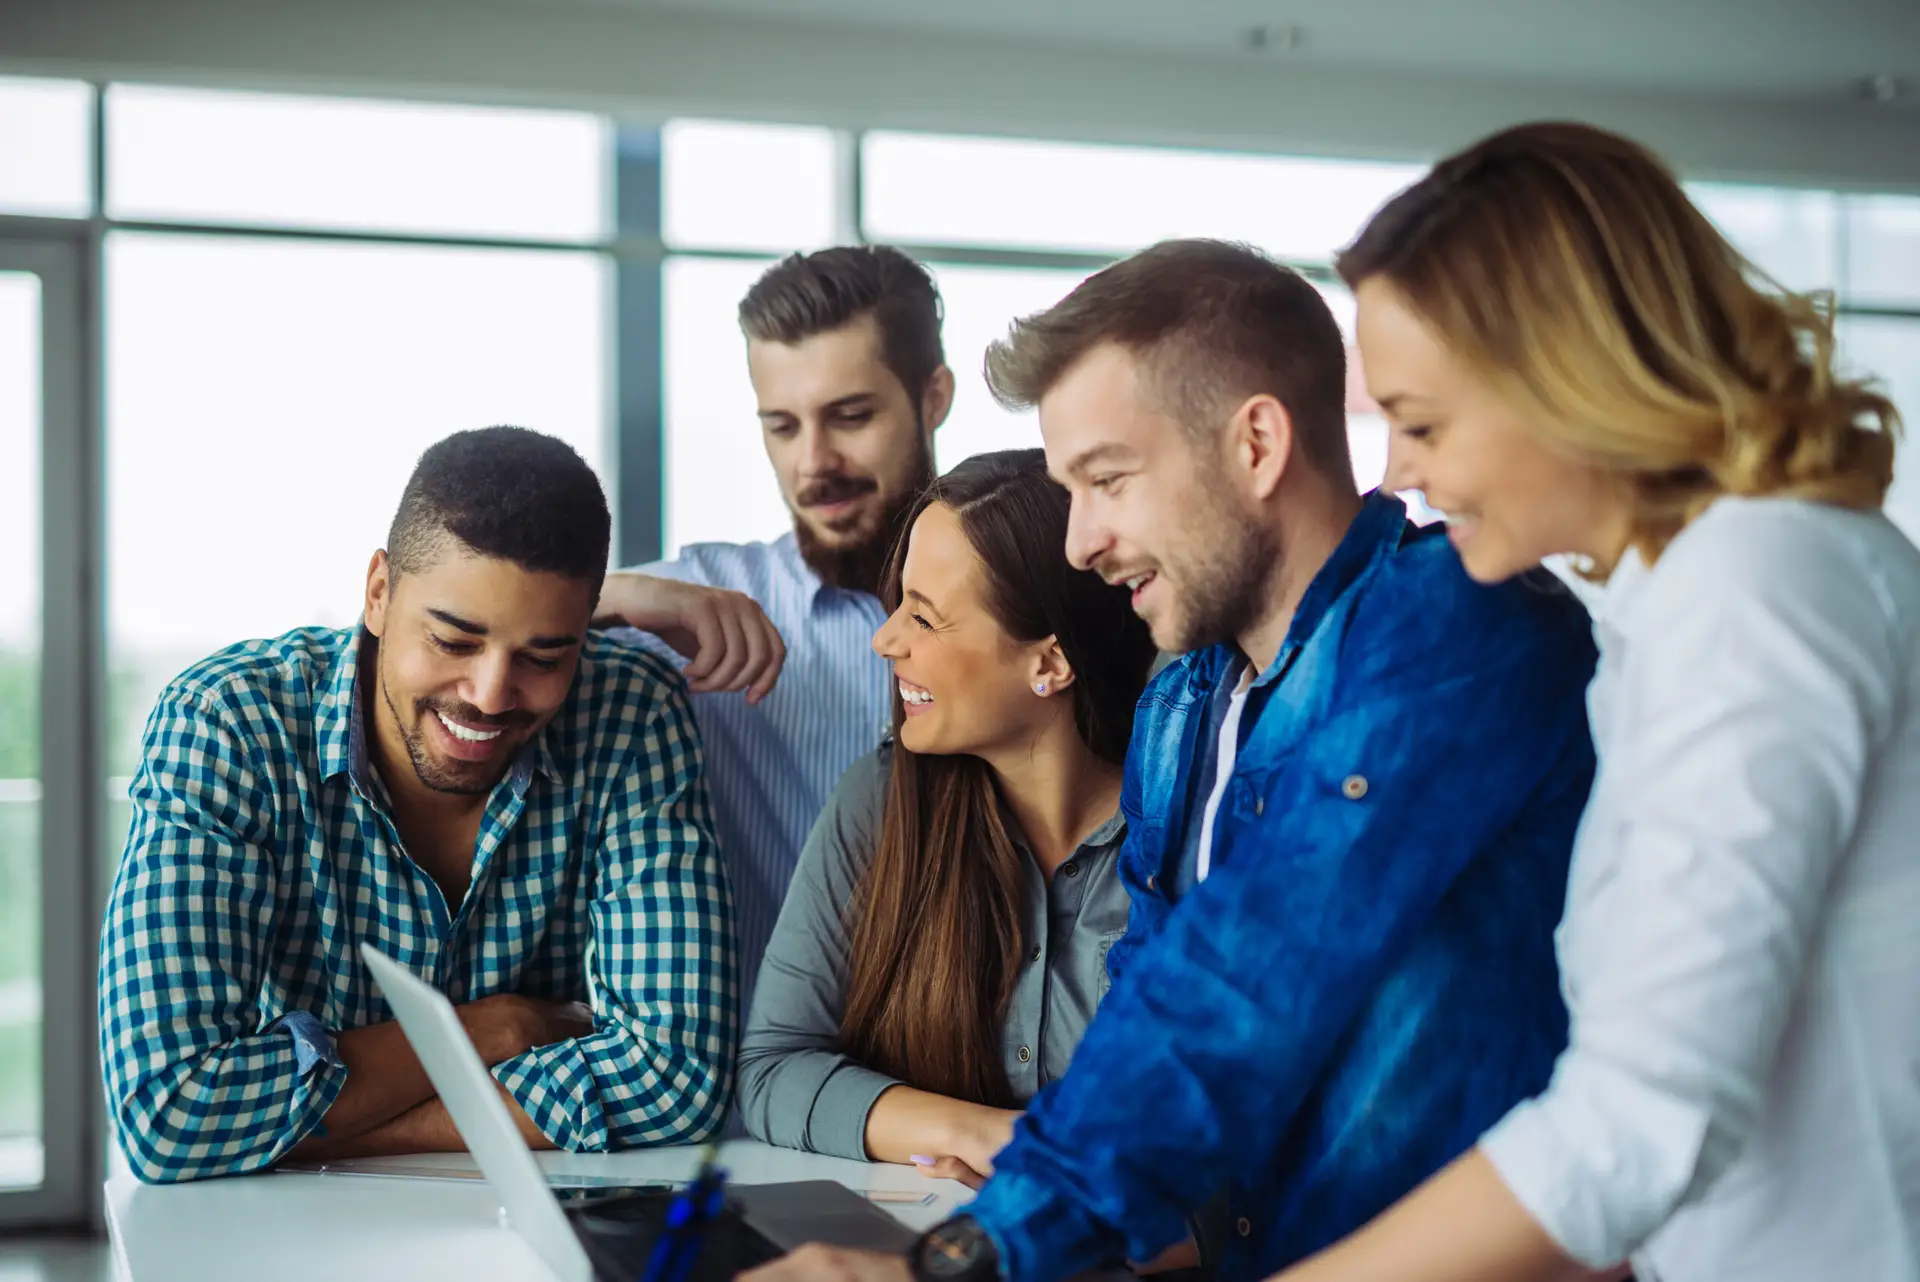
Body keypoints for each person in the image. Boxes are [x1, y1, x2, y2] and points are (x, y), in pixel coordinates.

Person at [742, 238, 1600, 1282]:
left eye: (1107, 480)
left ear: (1256, 444)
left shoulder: (1448, 630)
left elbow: (1242, 983)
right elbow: (1151, 1006)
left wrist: (962, 1263)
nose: (1081, 543)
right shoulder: (1186, 697)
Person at [1269, 122, 1919, 1282]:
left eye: (1421, 422)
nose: (1397, 475)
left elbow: (1645, 1115)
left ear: (1568, 378)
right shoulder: (1673, 604)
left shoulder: (1758, 583)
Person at [98, 426, 736, 1184]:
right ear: (378, 594)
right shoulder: (228, 722)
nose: (492, 695)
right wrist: (496, 1028)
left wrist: (308, 1135)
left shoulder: (631, 712)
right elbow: (169, 1110)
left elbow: (678, 1077)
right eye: (453, 641)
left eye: (543, 657)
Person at [736, 449, 1157, 1176]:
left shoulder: (1184, 837)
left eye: (925, 619)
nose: (885, 639)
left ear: (1049, 664)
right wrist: (989, 1139)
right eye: (900, 603)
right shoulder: (880, 800)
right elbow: (773, 1068)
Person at [596, 246, 955, 1007]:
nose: (813, 463)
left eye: (850, 417)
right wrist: (625, 593)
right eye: (782, 427)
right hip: (751, 1108)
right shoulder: (702, 603)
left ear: (934, 398)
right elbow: (456, 625)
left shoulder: (1027, 606)